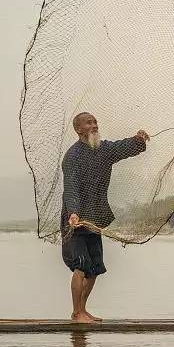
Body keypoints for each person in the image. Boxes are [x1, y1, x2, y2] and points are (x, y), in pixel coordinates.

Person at [61, 112, 149, 323]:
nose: (94, 125)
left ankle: (82, 310)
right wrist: (73, 212)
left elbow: (123, 147)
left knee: (95, 268)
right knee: (81, 265)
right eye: (89, 123)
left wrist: (138, 139)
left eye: (95, 122)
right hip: (76, 219)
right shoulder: (72, 156)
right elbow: (71, 188)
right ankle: (77, 312)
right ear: (79, 129)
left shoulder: (104, 150)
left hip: (95, 217)